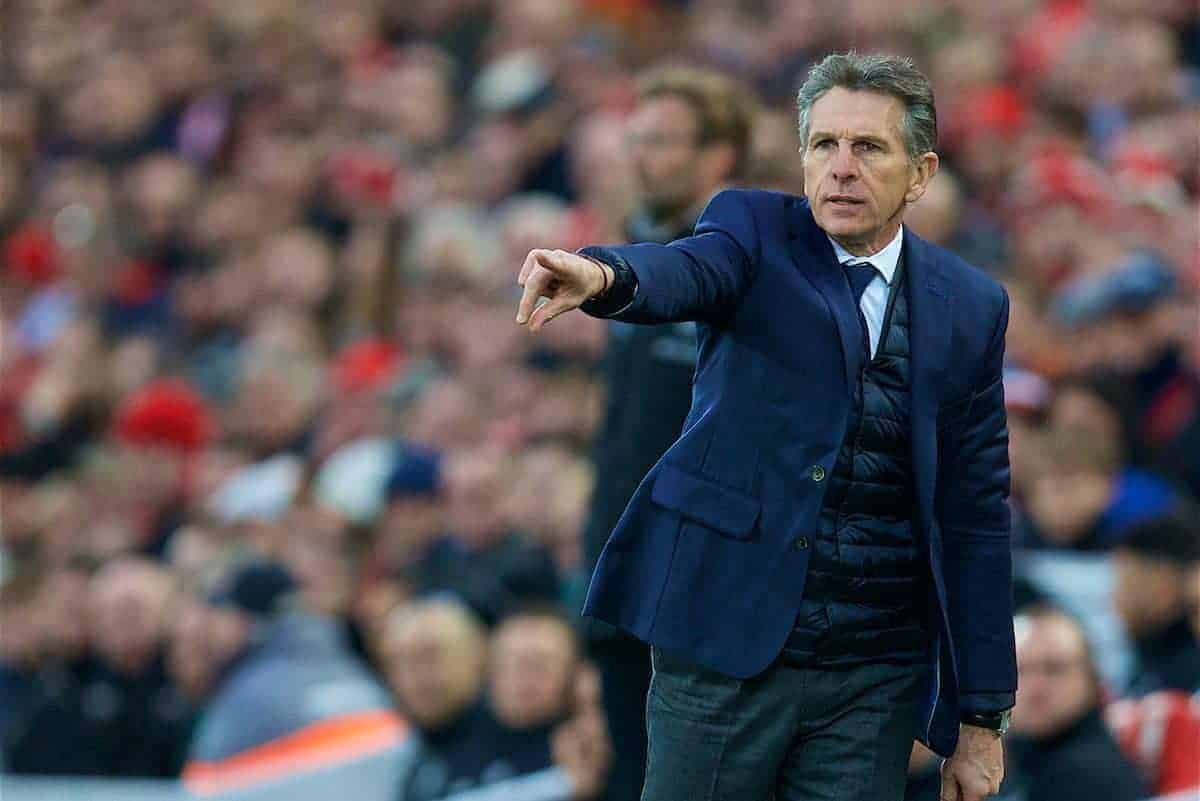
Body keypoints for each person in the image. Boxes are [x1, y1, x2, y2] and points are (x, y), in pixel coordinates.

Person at [515, 52, 1015, 801]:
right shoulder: (752, 229)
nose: (841, 168)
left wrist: (982, 715)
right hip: (723, 639)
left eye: (868, 147)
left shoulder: (972, 306)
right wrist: (605, 276)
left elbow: (975, 514)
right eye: (824, 145)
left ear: (921, 173)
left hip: (872, 673)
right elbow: (687, 270)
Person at [579, 65, 756, 801]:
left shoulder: (745, 265)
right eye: (636, 139)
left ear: (717, 156)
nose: (640, 156)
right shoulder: (629, 256)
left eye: (661, 141)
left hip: (697, 578)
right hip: (621, 557)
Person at [182, 558, 403, 794]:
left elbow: (199, 787)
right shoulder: (350, 665)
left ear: (245, 620)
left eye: (221, 614)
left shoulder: (246, 698)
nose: (211, 629)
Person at [381, 599, 608, 801]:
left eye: (539, 664)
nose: (522, 678)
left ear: (575, 674)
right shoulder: (449, 738)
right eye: (510, 663)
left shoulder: (588, 749)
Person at [1005, 605, 1148, 801]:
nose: (1035, 688)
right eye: (1019, 671)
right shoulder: (1017, 761)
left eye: (1053, 669)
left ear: (1091, 678)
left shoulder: (1088, 776)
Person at [1112, 512, 1200, 695]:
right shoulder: (1143, 656)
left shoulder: (1185, 678)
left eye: (1126, 582)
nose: (1114, 598)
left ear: (1165, 587)